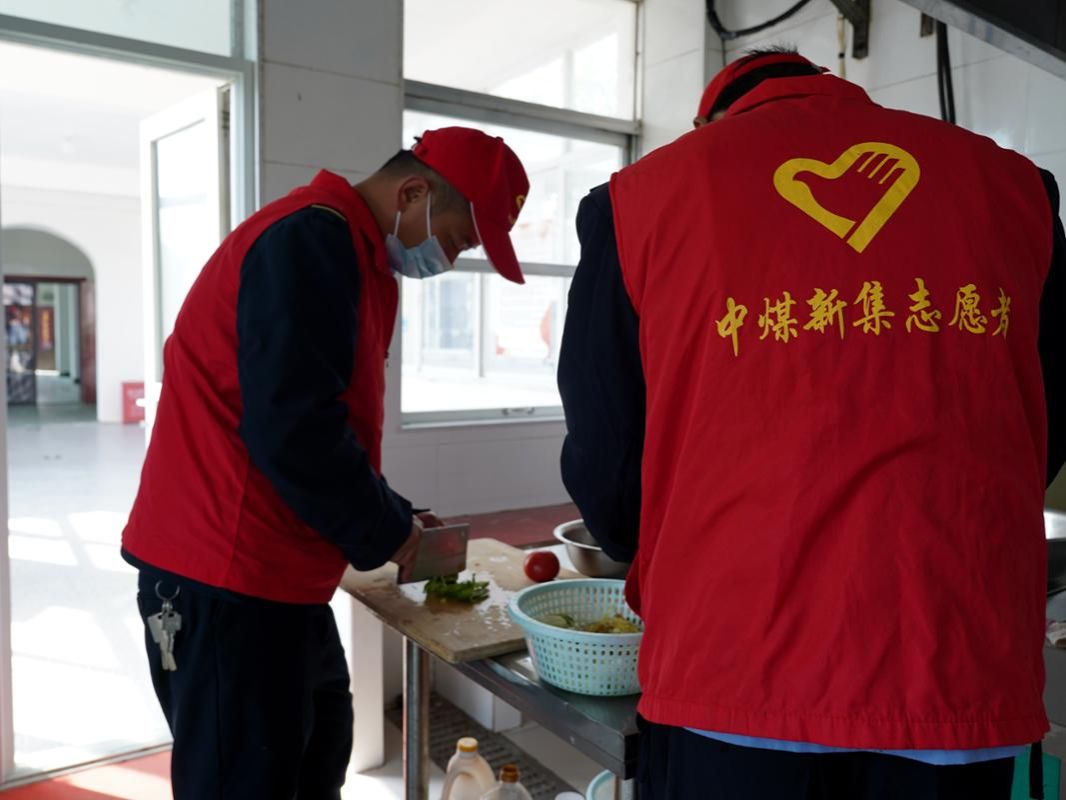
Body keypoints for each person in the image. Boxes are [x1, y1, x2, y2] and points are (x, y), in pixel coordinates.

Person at [559, 48, 1066, 799]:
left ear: (712, 121)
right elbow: (1045, 420)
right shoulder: (1018, 189)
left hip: (733, 671)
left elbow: (605, 458)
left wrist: (681, 560)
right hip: (954, 663)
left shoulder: (639, 201)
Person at [121, 126, 529, 800]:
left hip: (280, 576)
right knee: (244, 783)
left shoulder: (357, 256)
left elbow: (328, 421)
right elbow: (294, 430)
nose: (452, 260)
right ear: (413, 192)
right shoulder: (310, 240)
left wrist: (395, 515)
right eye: (459, 240)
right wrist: (393, 533)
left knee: (318, 753)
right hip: (224, 575)